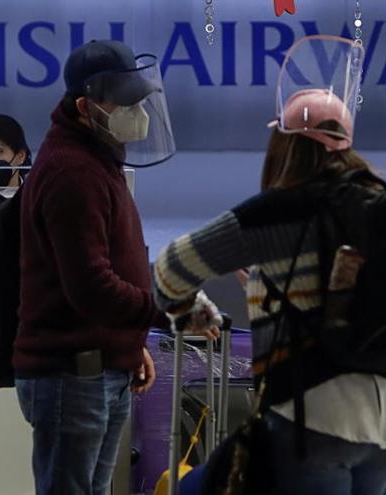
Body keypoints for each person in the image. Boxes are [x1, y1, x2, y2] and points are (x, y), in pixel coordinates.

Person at [152, 36, 386, 495]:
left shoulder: (280, 211)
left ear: (284, 142)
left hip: (309, 418)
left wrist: (188, 311)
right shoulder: (377, 202)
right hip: (380, 423)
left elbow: (170, 269)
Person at [13, 39, 177, 495]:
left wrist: (129, 345)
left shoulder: (98, 158)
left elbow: (110, 266)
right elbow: (90, 286)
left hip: (100, 367)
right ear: (86, 106)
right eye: (123, 103)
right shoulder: (73, 171)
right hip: (71, 375)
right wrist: (166, 311)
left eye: (140, 100)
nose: (137, 113)